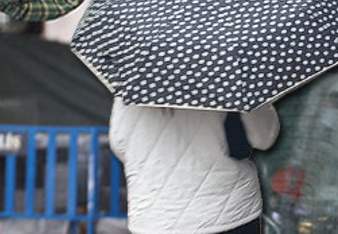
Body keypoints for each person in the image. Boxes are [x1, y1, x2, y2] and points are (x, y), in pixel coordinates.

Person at [109, 98, 280, 234]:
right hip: (227, 212)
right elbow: (264, 137)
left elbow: (119, 144)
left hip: (155, 217)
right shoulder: (228, 73)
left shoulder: (135, 82)